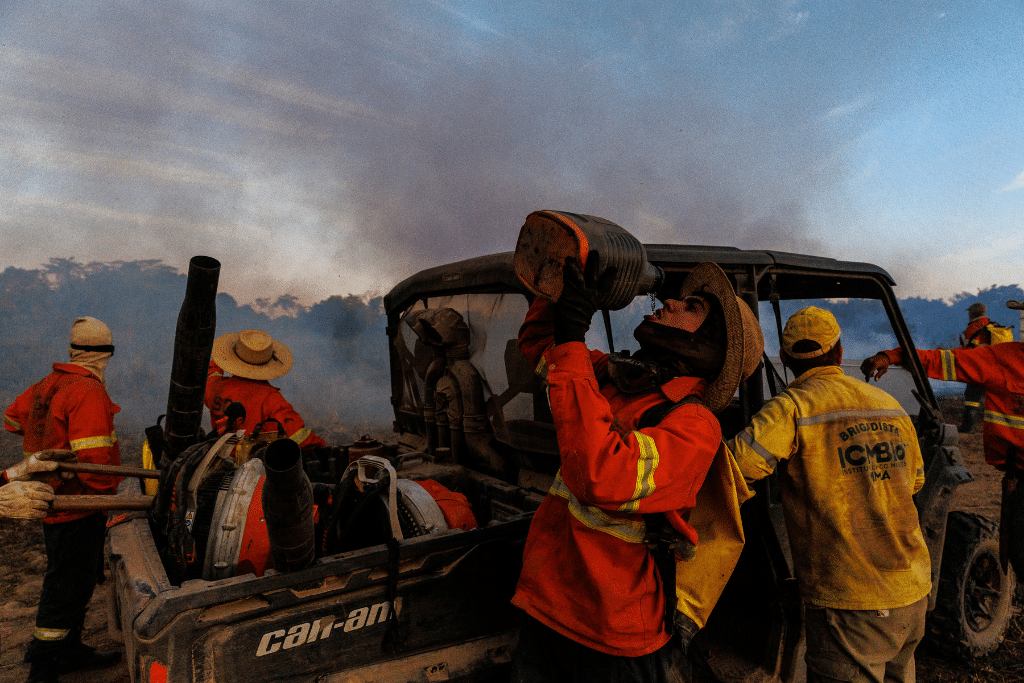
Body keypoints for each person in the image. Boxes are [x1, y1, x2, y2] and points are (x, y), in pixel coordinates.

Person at [509, 259, 763, 683]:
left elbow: (601, 475)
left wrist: (573, 338)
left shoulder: (695, 426)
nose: (670, 302)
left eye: (691, 306)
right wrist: (558, 285)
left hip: (614, 636)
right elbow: (540, 343)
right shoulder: (616, 379)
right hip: (548, 609)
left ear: (709, 344)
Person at [727, 306, 930, 683]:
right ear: (839, 351)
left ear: (785, 358)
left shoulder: (792, 408)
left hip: (851, 599)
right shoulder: (891, 407)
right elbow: (914, 482)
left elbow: (734, 468)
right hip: (912, 589)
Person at [3, 316, 124, 683]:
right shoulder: (87, 391)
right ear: (106, 354)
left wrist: (45, 440)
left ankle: (68, 650)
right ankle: (45, 665)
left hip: (49, 501)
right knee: (68, 584)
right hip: (77, 504)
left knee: (74, 577)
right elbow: (95, 464)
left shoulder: (47, 383)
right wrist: (104, 500)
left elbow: (11, 419)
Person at [862, 300, 1024, 570]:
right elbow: (945, 361)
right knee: (1020, 557)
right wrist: (893, 355)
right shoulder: (1005, 358)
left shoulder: (983, 335)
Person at [205, 329, 326, 450]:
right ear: (269, 362)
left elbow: (210, 375)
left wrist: (219, 358)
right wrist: (322, 446)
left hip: (217, 461)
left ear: (235, 358)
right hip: (251, 466)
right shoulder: (271, 399)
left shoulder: (216, 386)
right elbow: (299, 438)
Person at [959, 302, 991, 432]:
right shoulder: (991, 325)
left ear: (972, 313)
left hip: (978, 369)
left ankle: (968, 428)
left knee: (972, 399)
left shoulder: (974, 328)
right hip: (992, 369)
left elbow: (969, 352)